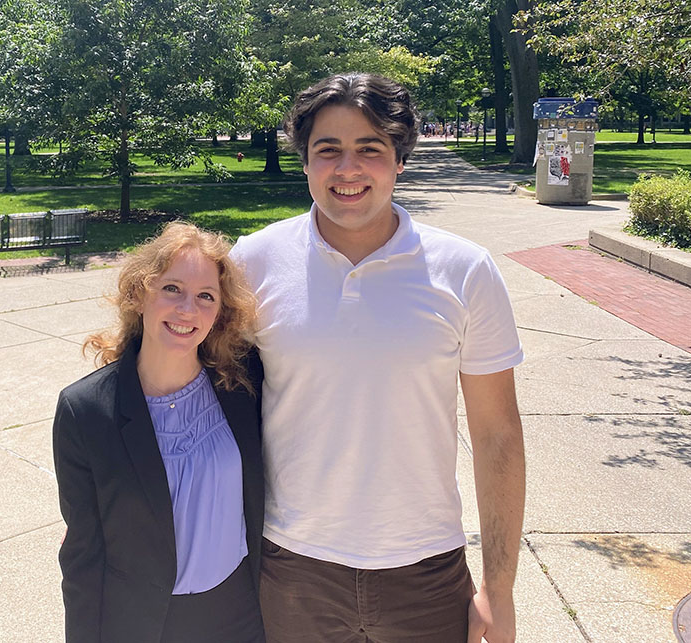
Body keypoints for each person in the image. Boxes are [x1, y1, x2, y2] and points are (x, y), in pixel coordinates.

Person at [230, 72, 526, 643]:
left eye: (370, 149)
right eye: (328, 150)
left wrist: (500, 588)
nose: (348, 169)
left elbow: (497, 435)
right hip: (291, 564)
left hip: (426, 569)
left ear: (400, 159)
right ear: (305, 160)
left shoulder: (465, 270)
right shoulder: (255, 262)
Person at [53, 222, 265, 643]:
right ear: (138, 294)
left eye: (206, 296)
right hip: (146, 624)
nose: (188, 309)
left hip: (240, 613)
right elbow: (82, 554)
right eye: (172, 289)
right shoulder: (87, 411)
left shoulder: (242, 384)